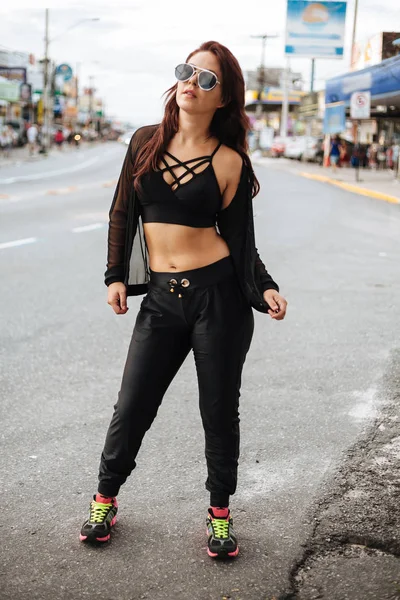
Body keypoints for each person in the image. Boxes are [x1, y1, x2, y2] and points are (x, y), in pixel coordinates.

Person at [79, 41, 287, 558]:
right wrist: (115, 275)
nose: (191, 83)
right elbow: (122, 214)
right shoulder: (146, 141)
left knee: (218, 411)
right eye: (186, 72)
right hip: (162, 303)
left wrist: (265, 287)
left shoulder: (230, 160)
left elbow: (241, 242)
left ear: (224, 98)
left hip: (218, 299)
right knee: (132, 407)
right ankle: (104, 501)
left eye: (207, 79)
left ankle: (221, 514)